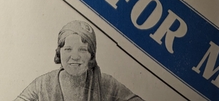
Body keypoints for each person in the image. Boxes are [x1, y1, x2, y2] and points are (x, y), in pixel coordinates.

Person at [13, 20, 144, 101]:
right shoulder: (42, 85)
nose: (75, 56)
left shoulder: (106, 84)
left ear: (91, 55)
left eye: (82, 49)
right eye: (68, 49)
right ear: (59, 52)